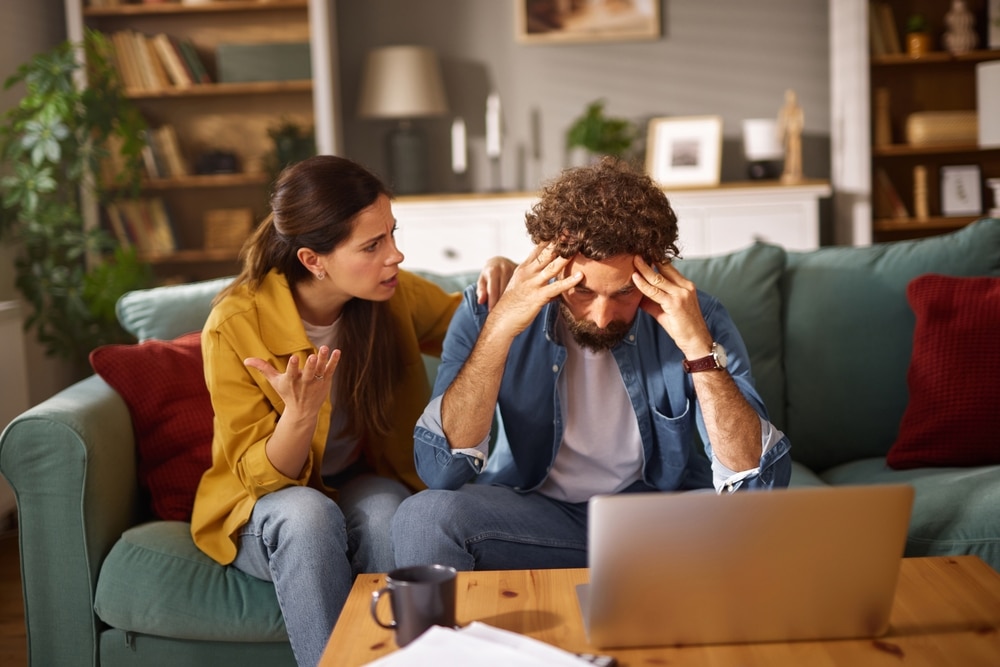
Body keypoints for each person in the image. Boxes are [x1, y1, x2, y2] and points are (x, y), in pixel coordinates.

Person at [392, 157, 792, 572]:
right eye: (581, 291)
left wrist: (697, 347)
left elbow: (757, 484)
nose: (601, 318)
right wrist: (499, 331)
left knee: (771, 525)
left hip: (653, 521)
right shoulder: (487, 313)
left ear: (654, 267)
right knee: (424, 517)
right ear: (550, 261)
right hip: (536, 517)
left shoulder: (696, 317)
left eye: (622, 294)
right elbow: (440, 470)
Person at [189, 155, 513, 666]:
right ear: (314, 259)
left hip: (360, 477)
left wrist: (501, 278)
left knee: (390, 515)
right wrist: (300, 415)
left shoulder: (393, 295)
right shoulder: (235, 323)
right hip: (264, 503)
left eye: (392, 234)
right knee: (307, 515)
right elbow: (264, 481)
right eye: (372, 245)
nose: (396, 255)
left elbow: (477, 328)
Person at [777, 88, 804, 184]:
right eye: (790, 97)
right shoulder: (784, 111)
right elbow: (782, 124)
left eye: (793, 97)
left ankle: (796, 172)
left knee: (796, 155)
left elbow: (801, 123)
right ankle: (789, 171)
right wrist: (780, 135)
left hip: (795, 135)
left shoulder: (798, 110)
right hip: (789, 136)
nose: (792, 99)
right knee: (789, 154)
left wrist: (796, 130)